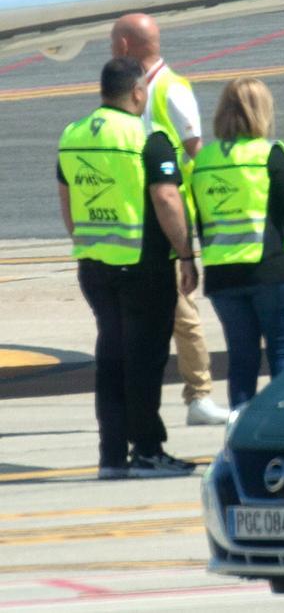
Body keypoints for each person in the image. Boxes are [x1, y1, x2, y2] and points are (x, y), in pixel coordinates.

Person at [57, 57, 199, 478]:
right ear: (138, 93)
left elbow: (67, 201)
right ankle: (149, 452)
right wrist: (187, 255)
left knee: (111, 356)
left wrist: (86, 242)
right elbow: (167, 199)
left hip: (94, 265)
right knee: (144, 360)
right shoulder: (148, 137)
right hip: (143, 266)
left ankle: (113, 456)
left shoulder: (72, 134)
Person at [110, 13, 227, 426]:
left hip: (169, 216)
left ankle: (199, 395)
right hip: (137, 216)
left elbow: (199, 152)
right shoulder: (130, 88)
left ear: (124, 45)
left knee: (182, 311)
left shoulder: (171, 90)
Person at [192, 78, 284, 409]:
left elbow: (201, 221)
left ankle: (240, 441)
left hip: (222, 276)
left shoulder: (204, 160)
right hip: (271, 271)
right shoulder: (270, 154)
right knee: (283, 360)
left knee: (242, 362)